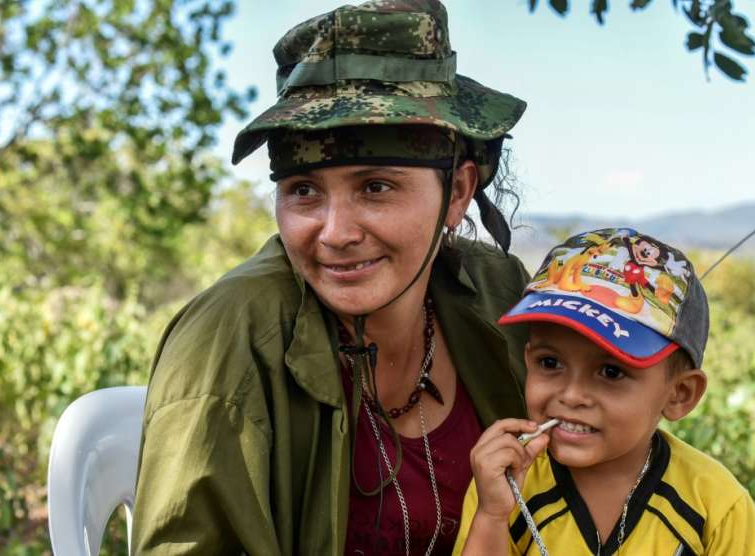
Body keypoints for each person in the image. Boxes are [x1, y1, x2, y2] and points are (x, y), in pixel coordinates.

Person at [131, 0, 532, 554]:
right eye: (303, 191)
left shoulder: (499, 293)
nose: (335, 233)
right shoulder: (230, 338)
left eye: (375, 187)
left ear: (458, 192)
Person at [453, 228, 755, 555]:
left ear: (680, 394)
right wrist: (492, 517)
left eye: (611, 372)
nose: (572, 395)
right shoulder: (504, 488)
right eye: (550, 363)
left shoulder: (716, 506)